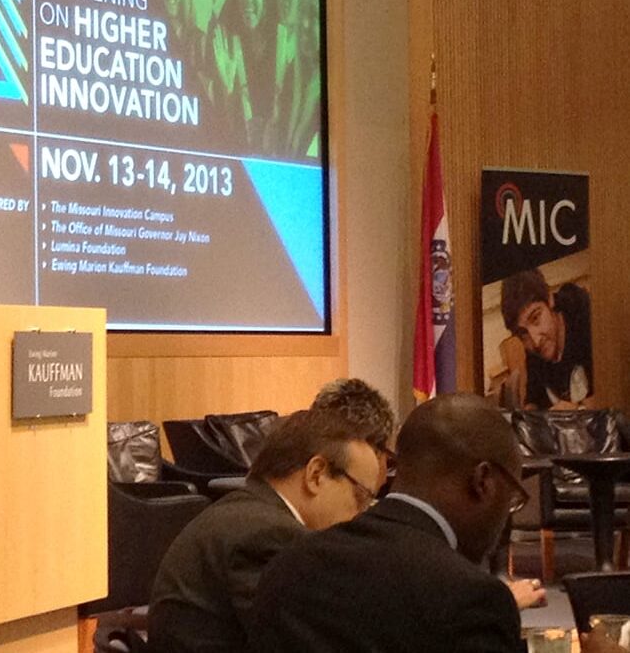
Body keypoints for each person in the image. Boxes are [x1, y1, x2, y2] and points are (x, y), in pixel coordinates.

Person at [247, 394, 531, 653]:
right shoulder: (472, 599)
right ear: (482, 481)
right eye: (512, 500)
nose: (506, 515)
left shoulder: (289, 565)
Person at [147, 409, 381, 653]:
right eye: (361, 496)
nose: (362, 514)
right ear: (316, 474)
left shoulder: (248, 512)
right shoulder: (270, 535)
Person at [500, 267, 593, 409]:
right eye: (523, 333)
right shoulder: (534, 350)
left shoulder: (589, 321)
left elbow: (618, 392)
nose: (535, 341)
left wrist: (578, 411)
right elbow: (533, 397)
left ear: (550, 299)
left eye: (536, 318)